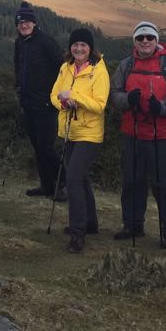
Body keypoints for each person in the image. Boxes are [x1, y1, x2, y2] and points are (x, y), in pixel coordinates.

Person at [111, 21, 166, 248]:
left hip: (162, 136)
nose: (145, 41)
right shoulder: (126, 65)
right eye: (140, 38)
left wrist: (163, 108)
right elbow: (114, 94)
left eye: (149, 37)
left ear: (156, 41)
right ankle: (132, 225)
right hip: (132, 134)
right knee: (131, 182)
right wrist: (128, 100)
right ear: (134, 42)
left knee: (164, 186)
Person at [50, 28, 109, 254]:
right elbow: (54, 95)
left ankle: (77, 233)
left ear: (90, 48)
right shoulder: (65, 68)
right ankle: (91, 223)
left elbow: (99, 105)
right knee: (81, 179)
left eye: (83, 45)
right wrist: (63, 103)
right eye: (75, 45)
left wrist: (75, 97)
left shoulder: (98, 71)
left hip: (90, 134)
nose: (79, 48)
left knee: (73, 179)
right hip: (69, 132)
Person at [13, 2, 65, 200]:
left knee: (47, 147)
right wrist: (18, 89)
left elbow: (61, 69)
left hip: (46, 105)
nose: (24, 25)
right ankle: (46, 185)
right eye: (20, 22)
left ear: (34, 23)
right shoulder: (19, 43)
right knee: (37, 146)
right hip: (28, 103)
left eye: (27, 21)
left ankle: (64, 182)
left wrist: (54, 96)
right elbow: (18, 67)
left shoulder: (46, 42)